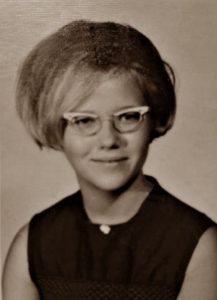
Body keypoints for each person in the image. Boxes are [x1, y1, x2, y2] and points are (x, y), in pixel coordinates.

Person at [2, 20, 217, 300]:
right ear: (56, 128)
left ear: (155, 119)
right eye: (83, 120)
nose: (108, 140)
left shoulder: (198, 245)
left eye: (128, 116)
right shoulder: (32, 245)